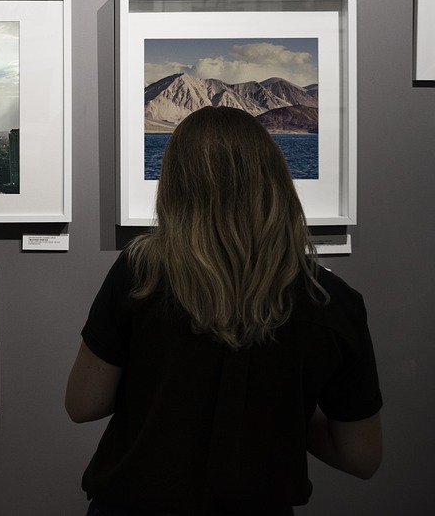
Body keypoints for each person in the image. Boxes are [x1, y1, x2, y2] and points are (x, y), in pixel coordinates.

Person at [66, 106, 382, 516]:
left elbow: (83, 405)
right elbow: (361, 456)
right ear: (277, 182)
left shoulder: (139, 273)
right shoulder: (332, 300)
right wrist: (280, 412)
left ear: (176, 185)